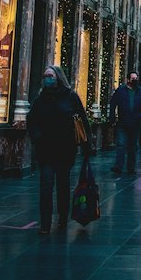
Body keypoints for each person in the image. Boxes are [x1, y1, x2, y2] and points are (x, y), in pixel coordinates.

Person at [26, 65, 91, 235]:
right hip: (46, 149)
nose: (47, 79)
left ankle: (62, 219)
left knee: (63, 185)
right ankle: (45, 224)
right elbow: (31, 119)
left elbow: (82, 120)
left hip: (65, 148)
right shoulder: (41, 98)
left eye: (50, 76)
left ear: (58, 78)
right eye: (45, 76)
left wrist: (86, 145)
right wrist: (37, 137)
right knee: (46, 185)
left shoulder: (70, 97)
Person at [109, 72, 141, 176]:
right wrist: (112, 117)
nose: (135, 81)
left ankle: (131, 167)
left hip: (135, 123)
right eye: (133, 79)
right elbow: (113, 103)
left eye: (136, 78)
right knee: (121, 144)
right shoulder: (121, 91)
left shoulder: (140, 91)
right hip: (123, 122)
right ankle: (118, 166)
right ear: (128, 80)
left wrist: (140, 117)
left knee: (132, 146)